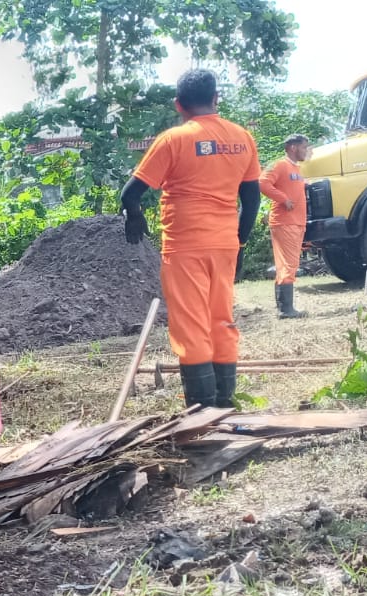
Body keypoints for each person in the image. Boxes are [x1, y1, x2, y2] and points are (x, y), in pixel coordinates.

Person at [121, 68, 262, 410]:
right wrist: (239, 242)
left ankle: (201, 409)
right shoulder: (242, 137)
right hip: (225, 243)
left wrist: (135, 217)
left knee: (191, 326)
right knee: (221, 319)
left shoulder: (174, 140)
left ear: (179, 105)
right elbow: (253, 200)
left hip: (185, 246)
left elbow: (130, 193)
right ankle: (225, 403)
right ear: (216, 99)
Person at [260, 134, 311, 319]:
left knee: (290, 264)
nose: (306, 150)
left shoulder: (296, 169)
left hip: (297, 222)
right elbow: (262, 182)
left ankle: (285, 308)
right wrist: (283, 199)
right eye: (304, 147)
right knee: (287, 265)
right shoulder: (280, 164)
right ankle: (285, 310)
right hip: (285, 222)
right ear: (293, 147)